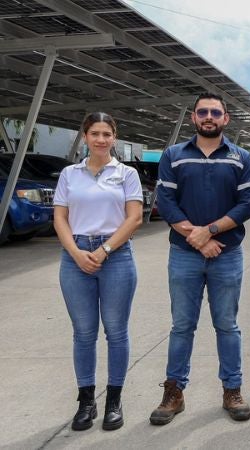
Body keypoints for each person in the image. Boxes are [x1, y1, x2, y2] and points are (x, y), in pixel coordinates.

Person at [150, 92, 250, 425]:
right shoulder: (174, 155)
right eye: (202, 112)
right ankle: (174, 393)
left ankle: (232, 389)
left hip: (226, 255)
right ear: (193, 117)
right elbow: (166, 201)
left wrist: (208, 231)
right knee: (182, 326)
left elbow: (246, 206)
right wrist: (196, 239)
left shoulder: (242, 158)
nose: (208, 116)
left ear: (226, 118)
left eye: (215, 112)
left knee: (227, 325)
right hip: (184, 254)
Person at [54, 112, 143, 431]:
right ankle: (86, 401)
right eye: (95, 133)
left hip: (115, 256)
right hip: (75, 257)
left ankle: (113, 402)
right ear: (85, 136)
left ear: (114, 137)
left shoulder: (126, 173)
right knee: (83, 333)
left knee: (116, 331)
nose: (101, 139)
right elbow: (60, 218)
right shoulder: (69, 174)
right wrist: (76, 253)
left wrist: (104, 250)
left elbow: (134, 218)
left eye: (107, 133)